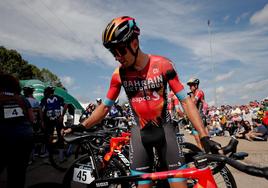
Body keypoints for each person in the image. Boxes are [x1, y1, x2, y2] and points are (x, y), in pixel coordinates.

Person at [63, 16, 220, 188]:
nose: (117, 57)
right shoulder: (119, 75)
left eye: (120, 50)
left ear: (135, 43)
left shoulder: (163, 65)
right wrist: (82, 126)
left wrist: (204, 135)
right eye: (112, 52)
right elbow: (105, 107)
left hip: (166, 133)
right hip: (139, 136)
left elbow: (186, 101)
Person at [0, 73, 34, 188]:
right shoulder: (22, 99)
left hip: (3, 138)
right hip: (24, 138)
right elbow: (32, 118)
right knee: (17, 174)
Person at [40, 86, 68, 159]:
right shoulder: (59, 97)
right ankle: (61, 156)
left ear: (47, 92)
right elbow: (66, 105)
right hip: (58, 119)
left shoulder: (44, 99)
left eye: (44, 92)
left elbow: (40, 110)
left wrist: (42, 120)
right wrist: (62, 115)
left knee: (49, 136)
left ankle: (48, 153)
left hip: (48, 120)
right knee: (60, 135)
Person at [187, 78, 209, 148]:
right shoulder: (192, 94)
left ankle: (206, 152)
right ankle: (202, 151)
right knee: (197, 139)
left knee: (202, 138)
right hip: (195, 117)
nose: (190, 87)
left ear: (196, 85)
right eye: (189, 86)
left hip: (200, 116)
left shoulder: (199, 92)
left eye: (191, 85)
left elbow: (193, 103)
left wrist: (190, 97)